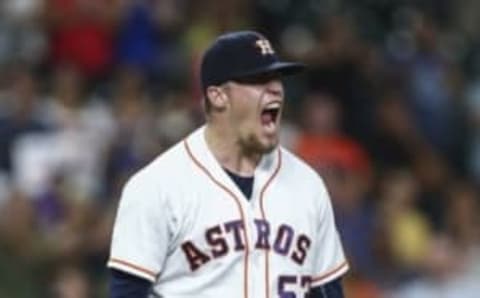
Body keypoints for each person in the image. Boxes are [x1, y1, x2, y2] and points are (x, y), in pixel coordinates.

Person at [108, 30, 349, 298]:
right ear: (217, 96)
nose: (275, 89)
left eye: (277, 78)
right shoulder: (156, 187)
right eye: (258, 80)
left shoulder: (308, 185)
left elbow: (329, 291)